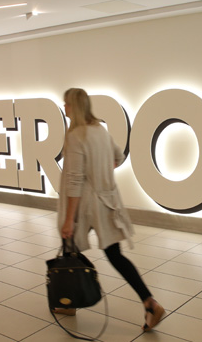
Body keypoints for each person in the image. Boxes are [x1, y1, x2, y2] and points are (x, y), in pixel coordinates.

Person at [57, 88, 165, 332]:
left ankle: (68, 301)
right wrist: (101, 171)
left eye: (66, 104)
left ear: (75, 106)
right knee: (115, 254)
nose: (65, 108)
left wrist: (68, 219)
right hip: (108, 200)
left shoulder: (76, 136)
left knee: (69, 248)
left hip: (86, 205)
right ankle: (150, 302)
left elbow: (74, 181)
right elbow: (119, 157)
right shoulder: (100, 131)